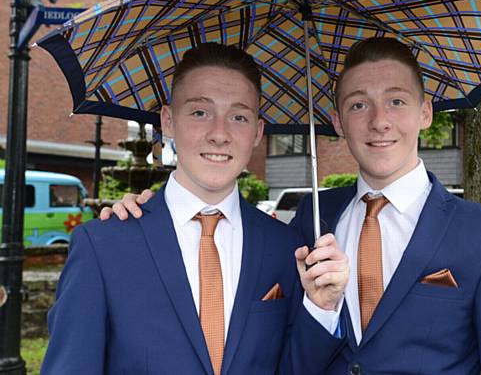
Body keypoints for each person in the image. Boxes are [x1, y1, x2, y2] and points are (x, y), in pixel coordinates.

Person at [102, 37, 481, 374]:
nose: (379, 121)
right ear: (336, 121)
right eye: (358, 105)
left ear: (425, 112)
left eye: (396, 101)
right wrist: (149, 214)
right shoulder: (308, 222)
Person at [42, 43, 348, 375]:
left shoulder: (285, 247)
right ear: (168, 121)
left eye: (239, 117)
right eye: (200, 112)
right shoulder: (103, 244)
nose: (219, 134)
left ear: (258, 132)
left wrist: (322, 308)